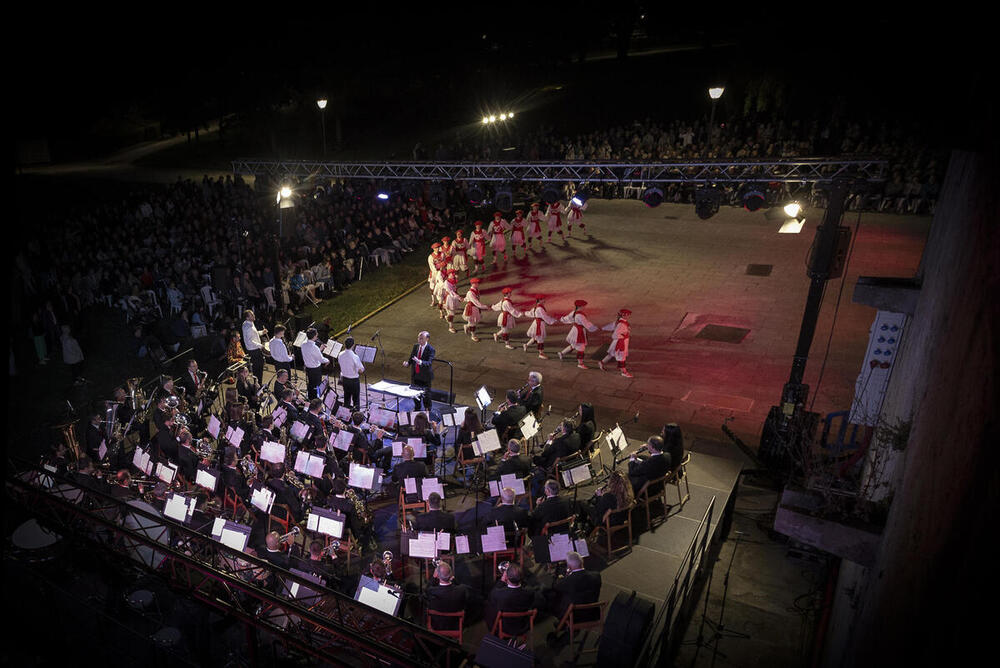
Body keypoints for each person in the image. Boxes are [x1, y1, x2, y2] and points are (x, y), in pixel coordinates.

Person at [485, 563, 542, 640]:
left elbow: (492, 595)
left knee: (488, 606)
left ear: (507, 578)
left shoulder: (498, 594)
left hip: (505, 626)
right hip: (522, 626)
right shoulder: (530, 592)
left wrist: (502, 580)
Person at [548, 551, 601, 622]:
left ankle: (562, 621)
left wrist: (565, 577)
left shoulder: (569, 580)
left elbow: (556, 587)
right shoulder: (597, 575)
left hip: (575, 616)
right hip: (593, 613)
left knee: (554, 597)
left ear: (569, 566)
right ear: (582, 562)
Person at [426, 561, 474, 630]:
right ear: (451, 575)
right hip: (455, 623)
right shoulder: (462, 589)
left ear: (438, 576)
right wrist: (453, 578)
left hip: (437, 624)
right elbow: (459, 585)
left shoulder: (432, 591)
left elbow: (427, 589)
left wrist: (433, 577)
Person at [558, 300, 598, 370]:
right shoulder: (580, 315)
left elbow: (567, 318)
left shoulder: (574, 312)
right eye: (584, 306)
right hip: (578, 332)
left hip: (575, 330)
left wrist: (562, 319)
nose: (585, 307)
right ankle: (580, 364)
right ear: (581, 306)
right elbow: (586, 323)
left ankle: (561, 353)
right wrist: (594, 328)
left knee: (574, 345)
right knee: (581, 348)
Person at [403, 330, 434, 411]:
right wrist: (408, 363)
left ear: (427, 339)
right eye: (418, 338)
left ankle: (427, 409)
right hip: (415, 375)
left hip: (425, 376)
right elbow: (412, 357)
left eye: (421, 338)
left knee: (426, 395)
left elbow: (429, 362)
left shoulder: (431, 349)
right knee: (415, 393)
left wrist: (419, 362)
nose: (419, 340)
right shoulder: (416, 346)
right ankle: (417, 408)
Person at [599, 308, 633, 377]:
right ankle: (624, 372)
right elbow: (615, 335)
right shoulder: (621, 324)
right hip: (620, 343)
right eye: (627, 315)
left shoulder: (619, 322)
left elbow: (611, 326)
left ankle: (601, 362)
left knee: (611, 354)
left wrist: (603, 328)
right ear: (623, 315)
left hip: (618, 342)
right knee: (621, 357)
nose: (628, 316)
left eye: (628, 315)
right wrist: (624, 336)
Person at [301, 327, 328, 400]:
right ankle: (316, 400)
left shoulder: (303, 344)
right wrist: (327, 360)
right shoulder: (314, 347)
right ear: (314, 336)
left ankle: (311, 399)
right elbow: (321, 359)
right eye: (316, 334)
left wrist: (320, 349)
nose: (317, 335)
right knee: (317, 386)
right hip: (315, 369)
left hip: (308, 368)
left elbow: (312, 354)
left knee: (311, 384)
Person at [337, 337, 364, 410]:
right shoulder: (354, 356)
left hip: (344, 379)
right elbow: (361, 370)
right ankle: (356, 415)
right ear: (353, 345)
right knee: (356, 400)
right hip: (354, 381)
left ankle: (345, 414)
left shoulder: (340, 354)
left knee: (346, 397)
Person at [241, 309, 267, 384]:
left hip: (254, 349)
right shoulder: (248, 327)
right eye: (252, 315)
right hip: (254, 350)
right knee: (258, 369)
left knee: (258, 368)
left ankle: (258, 384)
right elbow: (250, 341)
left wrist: (262, 332)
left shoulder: (249, 323)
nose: (254, 316)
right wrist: (260, 346)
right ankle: (258, 385)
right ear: (247, 318)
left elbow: (254, 335)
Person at [462, 278, 488, 342]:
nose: (477, 284)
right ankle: (473, 336)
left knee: (472, 322)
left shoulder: (476, 290)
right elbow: (476, 302)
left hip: (475, 308)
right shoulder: (470, 292)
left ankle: (466, 326)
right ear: (472, 284)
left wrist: (464, 299)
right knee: (473, 323)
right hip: (471, 308)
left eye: (477, 283)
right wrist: (485, 307)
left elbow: (468, 298)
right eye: (475, 283)